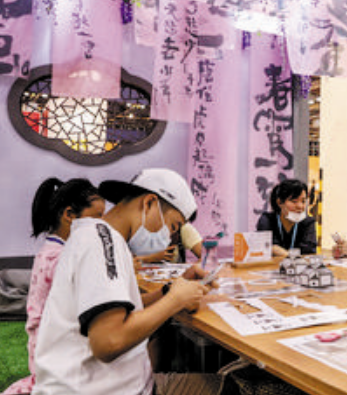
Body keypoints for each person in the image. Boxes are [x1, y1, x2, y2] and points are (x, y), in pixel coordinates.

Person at [32, 168, 213, 395]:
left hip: (120, 384)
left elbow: (121, 309)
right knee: (232, 387)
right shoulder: (101, 241)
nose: (169, 237)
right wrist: (175, 300)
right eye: (173, 226)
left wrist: (170, 290)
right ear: (149, 203)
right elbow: (109, 341)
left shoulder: (104, 239)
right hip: (98, 390)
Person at [3, 178, 105, 395]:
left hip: (45, 349)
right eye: (97, 218)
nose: (102, 226)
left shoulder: (52, 250)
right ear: (69, 215)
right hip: (55, 355)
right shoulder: (61, 258)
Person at [256, 179, 317, 256]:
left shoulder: (308, 222)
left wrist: (287, 255)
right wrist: (290, 256)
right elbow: (267, 246)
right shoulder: (267, 220)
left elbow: (309, 250)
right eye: (294, 201)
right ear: (279, 202)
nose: (300, 206)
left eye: (303, 201)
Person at [134, 223, 204, 265]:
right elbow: (130, 263)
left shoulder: (183, 228)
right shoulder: (140, 227)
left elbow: (207, 257)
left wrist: (191, 270)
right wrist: (151, 258)